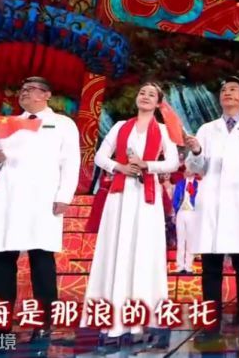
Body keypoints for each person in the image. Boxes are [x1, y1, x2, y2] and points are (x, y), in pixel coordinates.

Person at [0, 77, 80, 341]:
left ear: (46, 95)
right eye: (22, 90)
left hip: (42, 198)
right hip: (9, 197)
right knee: (2, 258)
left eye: (30, 90)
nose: (24, 93)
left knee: (41, 258)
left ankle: (44, 322)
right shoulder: (8, 123)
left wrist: (64, 196)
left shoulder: (62, 123)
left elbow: (71, 162)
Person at [85, 82, 179, 348]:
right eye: (142, 93)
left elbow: (173, 162)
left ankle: (147, 319)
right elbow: (100, 157)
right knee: (117, 249)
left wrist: (146, 165)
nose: (145, 97)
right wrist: (120, 167)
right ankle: (113, 321)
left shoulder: (163, 131)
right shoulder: (119, 127)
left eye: (151, 94)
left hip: (147, 199)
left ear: (158, 103)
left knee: (145, 252)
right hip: (120, 196)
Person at [184, 76, 239, 341]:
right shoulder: (207, 129)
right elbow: (195, 168)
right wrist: (196, 151)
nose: (228, 93)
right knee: (211, 269)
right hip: (212, 204)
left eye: (234, 90)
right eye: (223, 90)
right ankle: (210, 326)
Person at [172, 168, 201, 274]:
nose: (188, 171)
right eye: (186, 169)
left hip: (192, 213)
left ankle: (188, 265)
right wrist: (177, 210)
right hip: (181, 212)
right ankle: (180, 265)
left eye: (190, 169)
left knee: (190, 240)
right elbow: (175, 198)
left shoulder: (198, 184)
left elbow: (199, 199)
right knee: (180, 240)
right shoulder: (180, 183)